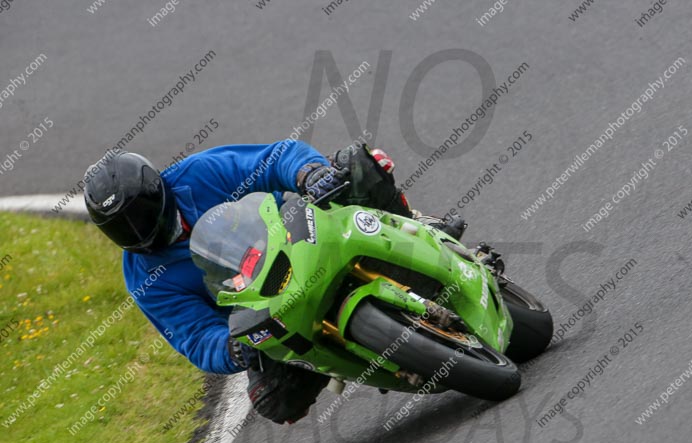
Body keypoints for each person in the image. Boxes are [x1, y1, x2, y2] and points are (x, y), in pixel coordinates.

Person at [83, 139, 465, 424]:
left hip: (303, 236)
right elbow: (194, 335)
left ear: (159, 189)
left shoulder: (198, 173)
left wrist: (308, 174)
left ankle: (420, 229)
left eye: (143, 215)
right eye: (122, 228)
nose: (139, 231)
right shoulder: (142, 276)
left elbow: (276, 157)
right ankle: (362, 357)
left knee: (357, 163)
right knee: (275, 402)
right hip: (268, 313)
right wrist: (233, 348)